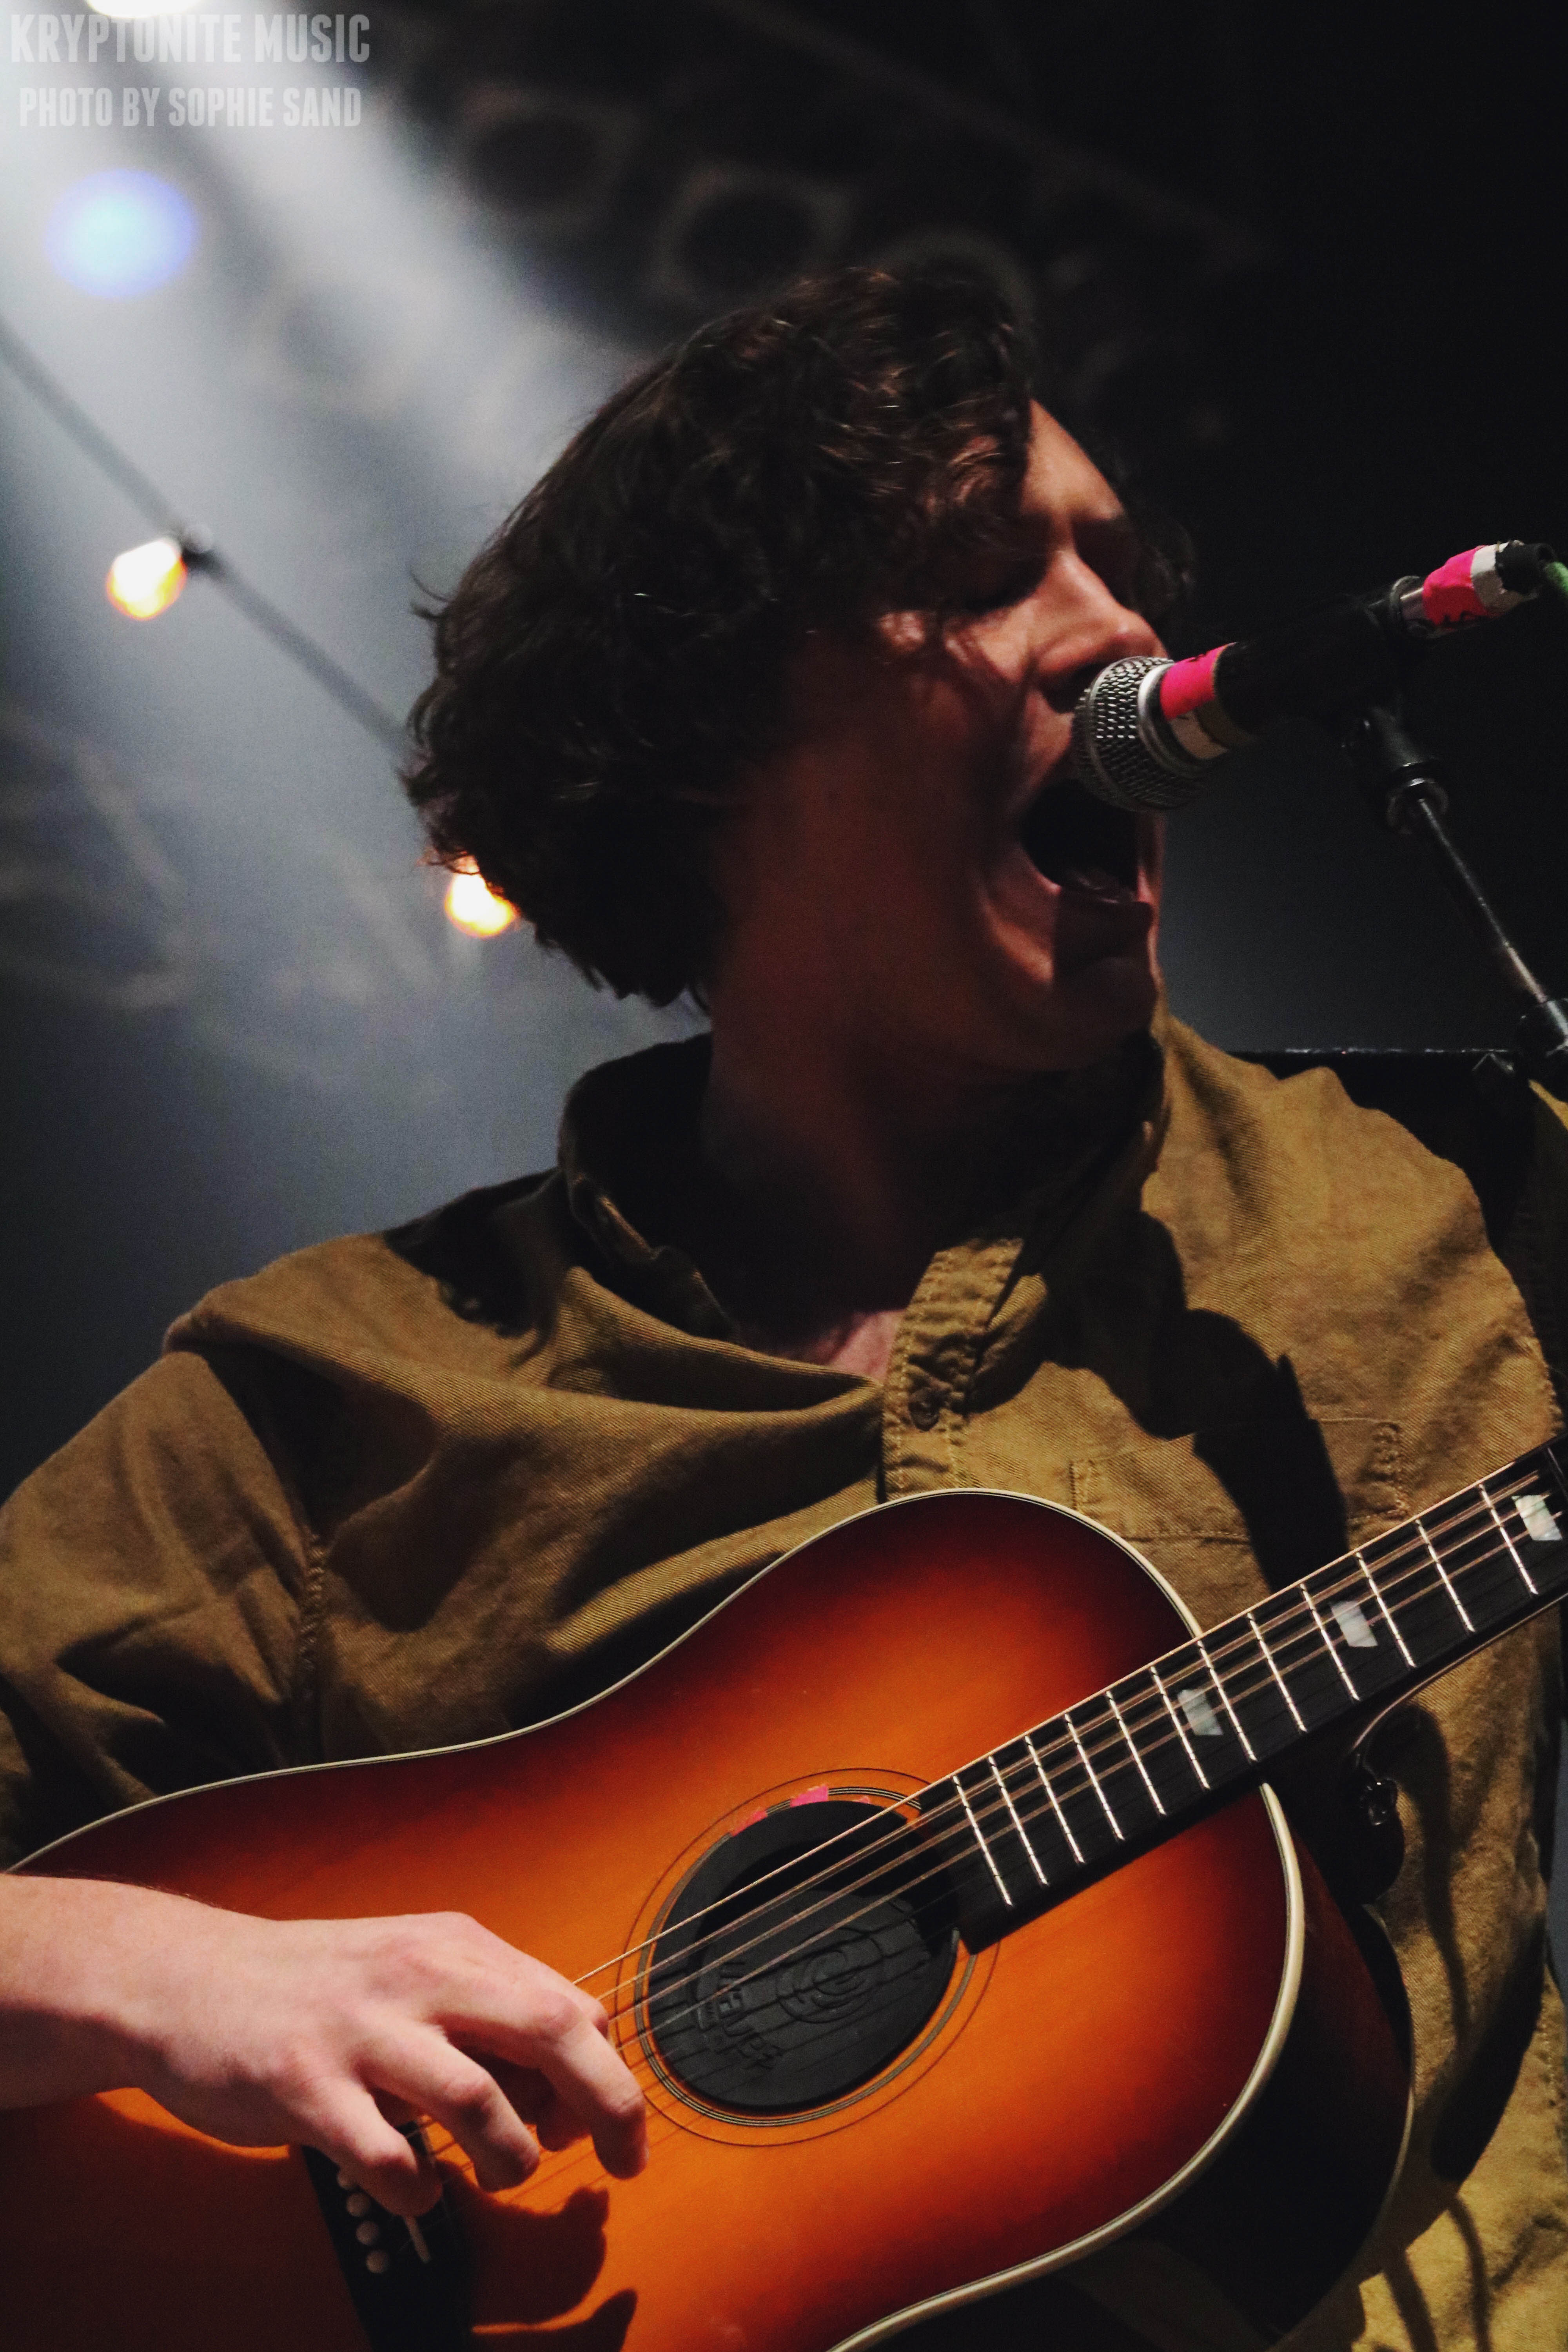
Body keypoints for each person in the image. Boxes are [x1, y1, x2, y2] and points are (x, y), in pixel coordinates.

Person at [2, 269, 1566, 2351]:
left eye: (1117, 563)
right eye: (978, 576)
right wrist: (165, 1973)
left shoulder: (1463, 1202)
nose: (1116, 634)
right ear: (707, 741)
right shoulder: (326, 1405)